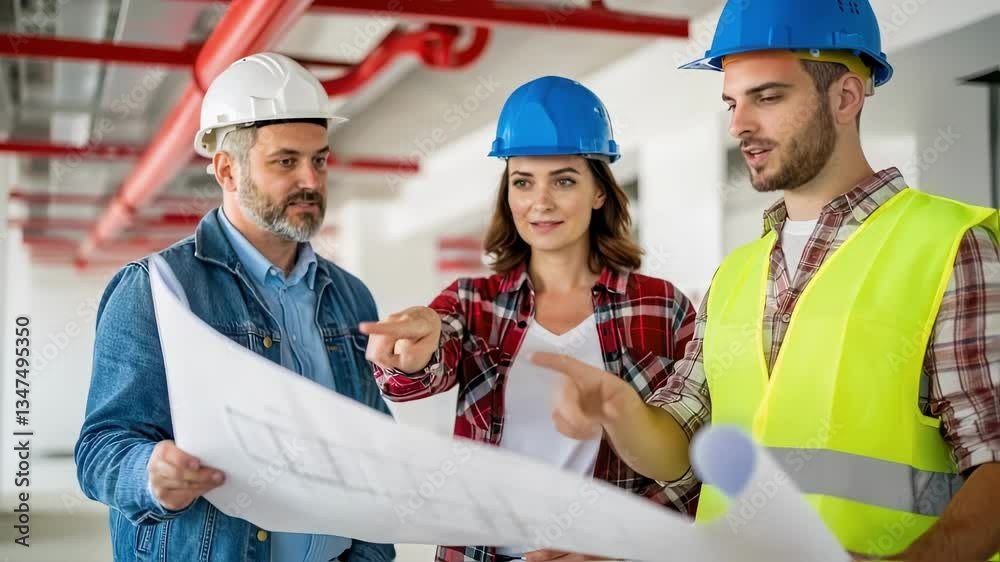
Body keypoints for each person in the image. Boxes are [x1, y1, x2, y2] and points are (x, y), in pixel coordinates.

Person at [534, 1, 1000, 560]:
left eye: (768, 96)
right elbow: (681, 451)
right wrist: (623, 413)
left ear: (846, 97)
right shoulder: (737, 273)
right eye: (733, 102)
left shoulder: (949, 245)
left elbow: (993, 467)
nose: (739, 126)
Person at [361, 76, 700, 562]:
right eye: (523, 182)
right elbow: (416, 373)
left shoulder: (661, 307)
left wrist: (621, 549)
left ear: (600, 191)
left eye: (563, 180)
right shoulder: (474, 303)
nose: (540, 202)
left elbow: (691, 461)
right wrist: (411, 357)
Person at [74, 53, 395, 562]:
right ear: (227, 169)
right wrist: (150, 472)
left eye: (320, 160)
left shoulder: (350, 296)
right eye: (286, 162)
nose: (311, 181)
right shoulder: (154, 290)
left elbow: (373, 448)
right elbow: (99, 454)